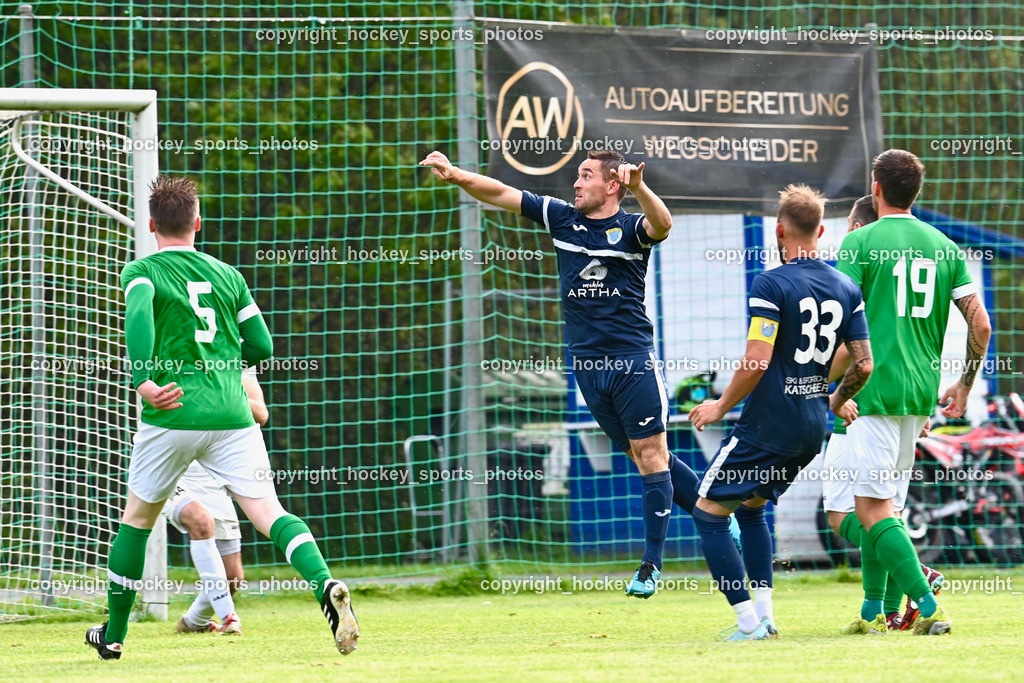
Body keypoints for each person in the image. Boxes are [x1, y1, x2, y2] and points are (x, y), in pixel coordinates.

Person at [86, 175, 358, 660]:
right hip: (233, 415)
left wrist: (144, 378)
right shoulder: (229, 275)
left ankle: (115, 635)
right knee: (269, 514)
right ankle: (324, 585)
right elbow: (263, 346)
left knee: (137, 522)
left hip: (171, 412)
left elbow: (140, 312)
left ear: (151, 225)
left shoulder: (143, 271)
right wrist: (224, 365)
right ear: (198, 223)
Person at [420, 149, 703, 597]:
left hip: (632, 362)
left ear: (612, 185)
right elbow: (499, 192)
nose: (576, 183)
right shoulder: (561, 218)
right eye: (577, 175)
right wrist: (456, 175)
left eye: (586, 175)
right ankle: (713, 512)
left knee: (652, 455)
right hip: (587, 369)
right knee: (643, 457)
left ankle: (651, 565)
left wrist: (640, 188)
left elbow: (663, 224)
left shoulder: (631, 228)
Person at [689, 184, 872, 640]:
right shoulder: (846, 286)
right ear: (822, 231)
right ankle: (767, 617)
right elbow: (862, 360)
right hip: (811, 427)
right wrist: (825, 397)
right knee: (750, 508)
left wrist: (719, 405)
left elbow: (756, 360)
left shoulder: (771, 282)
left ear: (780, 229)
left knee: (708, 514)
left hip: (770, 423)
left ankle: (748, 623)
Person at [835, 149, 991, 636]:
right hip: (920, 396)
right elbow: (980, 323)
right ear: (915, 192)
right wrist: (963, 384)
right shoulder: (944, 246)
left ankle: (928, 607)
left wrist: (829, 389)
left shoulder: (860, 241)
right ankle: (872, 613)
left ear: (876, 187)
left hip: (872, 389)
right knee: (880, 503)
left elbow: (844, 326)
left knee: (870, 508)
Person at [822, 195, 943, 633]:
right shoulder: (923, 256)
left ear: (858, 228)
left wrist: (818, 390)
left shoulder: (859, 263)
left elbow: (845, 347)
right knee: (880, 509)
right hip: (909, 400)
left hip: (860, 406)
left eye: (851, 227)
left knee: (849, 514)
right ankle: (879, 612)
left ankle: (920, 588)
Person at [168, 369, 267, 635]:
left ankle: (193, 622)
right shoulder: (174, 349)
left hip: (212, 475)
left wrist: (223, 395)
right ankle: (228, 617)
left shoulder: (238, 359)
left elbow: (261, 413)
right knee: (199, 520)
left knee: (233, 578)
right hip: (171, 463)